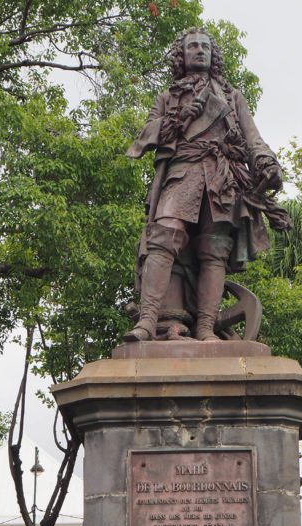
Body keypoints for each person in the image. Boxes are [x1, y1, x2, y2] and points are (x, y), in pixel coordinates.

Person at [124, 28, 290, 342]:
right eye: (192, 46)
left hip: (221, 178)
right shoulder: (168, 97)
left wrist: (267, 162)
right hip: (182, 174)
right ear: (182, 56)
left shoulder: (232, 96)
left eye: (204, 46)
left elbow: (253, 140)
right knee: (163, 236)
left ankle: (205, 328)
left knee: (215, 249)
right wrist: (176, 119)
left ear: (213, 55)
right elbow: (145, 136)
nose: (199, 50)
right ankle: (147, 321)